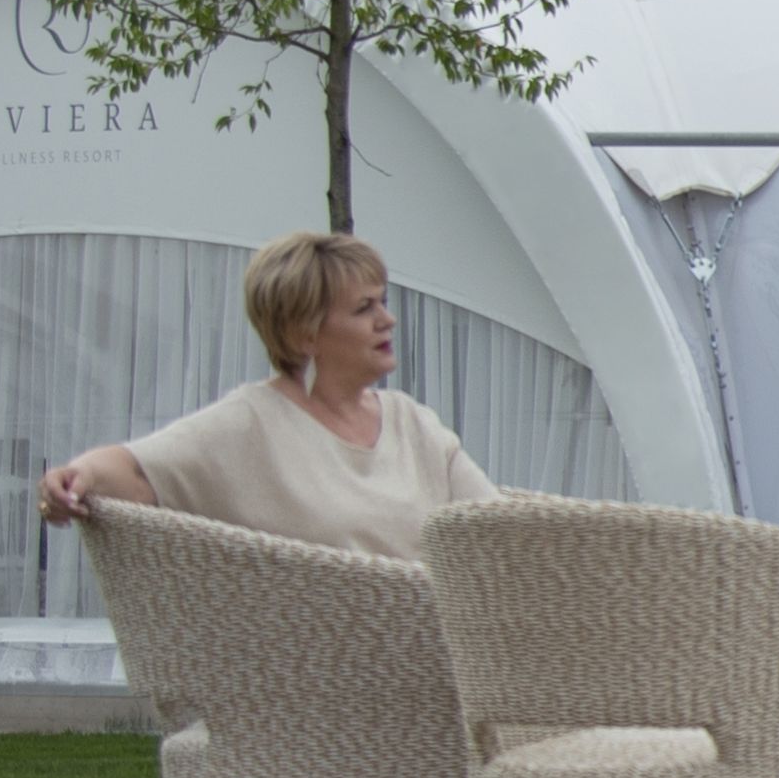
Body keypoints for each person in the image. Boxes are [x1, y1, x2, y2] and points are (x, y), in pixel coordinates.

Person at [38, 231, 493, 557]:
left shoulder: (412, 422)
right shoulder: (249, 423)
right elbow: (136, 473)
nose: (387, 321)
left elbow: (500, 526)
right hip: (316, 659)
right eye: (364, 308)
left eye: (383, 303)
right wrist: (75, 480)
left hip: (443, 651)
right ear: (303, 334)